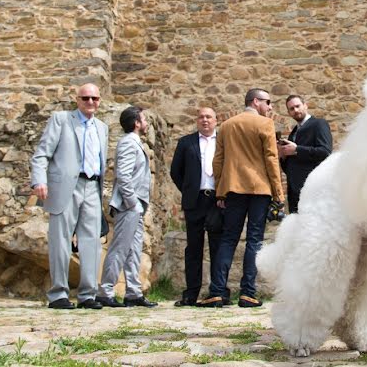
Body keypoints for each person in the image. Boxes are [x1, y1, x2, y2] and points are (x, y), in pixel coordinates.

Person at [197, 89, 285, 308]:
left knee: (228, 239)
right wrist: (279, 193)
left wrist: (220, 191)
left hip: (233, 189)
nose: (270, 107)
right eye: (267, 102)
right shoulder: (265, 124)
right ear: (255, 102)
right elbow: (271, 160)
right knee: (254, 240)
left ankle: (217, 291)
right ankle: (248, 293)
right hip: (259, 189)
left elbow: (218, 161)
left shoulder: (226, 126)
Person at [30, 83, 109, 310]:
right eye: (86, 98)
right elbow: (42, 154)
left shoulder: (102, 127)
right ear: (77, 100)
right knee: (60, 239)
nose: (90, 102)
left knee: (92, 241)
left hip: (92, 186)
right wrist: (39, 180)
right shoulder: (61, 120)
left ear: (99, 101)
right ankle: (58, 294)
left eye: (95, 98)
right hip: (66, 186)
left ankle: (87, 294)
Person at [96, 106, 157, 308]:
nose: (146, 122)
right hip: (129, 206)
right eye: (144, 119)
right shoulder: (128, 143)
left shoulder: (136, 142)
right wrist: (132, 203)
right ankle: (105, 291)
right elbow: (123, 176)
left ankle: (133, 292)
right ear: (137, 123)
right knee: (119, 248)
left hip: (137, 206)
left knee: (133, 249)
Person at [169, 106, 223, 307]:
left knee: (218, 246)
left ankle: (219, 291)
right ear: (197, 120)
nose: (205, 120)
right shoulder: (186, 142)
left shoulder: (224, 141)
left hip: (218, 200)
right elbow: (176, 171)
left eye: (209, 117)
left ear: (216, 120)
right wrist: (189, 189)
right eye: (201, 117)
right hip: (195, 200)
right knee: (194, 247)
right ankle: (191, 293)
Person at [277, 95, 333, 213]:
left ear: (305, 105)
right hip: (295, 192)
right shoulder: (294, 132)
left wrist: (297, 149)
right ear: (289, 113)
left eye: (297, 106)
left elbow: (325, 152)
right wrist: (283, 157)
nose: (295, 110)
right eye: (291, 109)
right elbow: (291, 167)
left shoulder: (319, 124)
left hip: (313, 188)